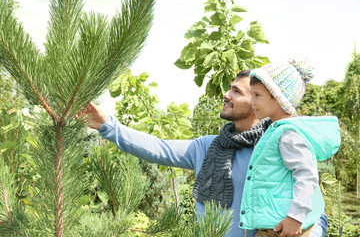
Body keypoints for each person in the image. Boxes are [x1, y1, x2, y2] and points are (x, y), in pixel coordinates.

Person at [79, 69, 330, 237]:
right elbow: (157, 148)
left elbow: (312, 205)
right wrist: (106, 125)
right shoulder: (207, 146)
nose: (226, 94)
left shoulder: (275, 147)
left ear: (256, 103)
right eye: (229, 88)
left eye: (237, 92)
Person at [243, 59, 341, 237]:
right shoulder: (276, 131)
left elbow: (306, 174)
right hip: (276, 224)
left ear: (279, 97)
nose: (251, 101)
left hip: (291, 226)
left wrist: (296, 217)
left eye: (257, 95)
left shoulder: (288, 134)